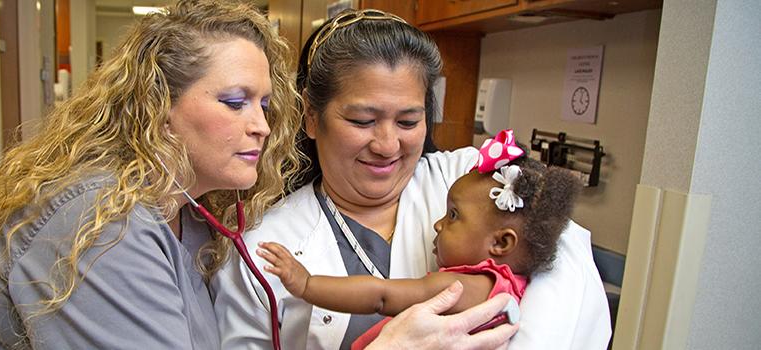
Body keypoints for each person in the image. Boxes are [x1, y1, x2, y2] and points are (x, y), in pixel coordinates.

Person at [0, 2, 518, 349]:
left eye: (265, 105)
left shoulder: (190, 220)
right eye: (236, 101)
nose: (263, 126)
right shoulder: (97, 224)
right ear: (156, 106)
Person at [212, 8, 612, 350]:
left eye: (408, 120)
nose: (387, 145)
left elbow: (568, 276)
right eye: (362, 121)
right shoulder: (263, 248)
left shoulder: (478, 181)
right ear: (312, 118)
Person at [256, 132, 582, 348]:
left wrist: (307, 284)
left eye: (453, 215)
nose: (438, 224)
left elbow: (381, 296)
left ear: (501, 244)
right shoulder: (510, 288)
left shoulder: (466, 287)